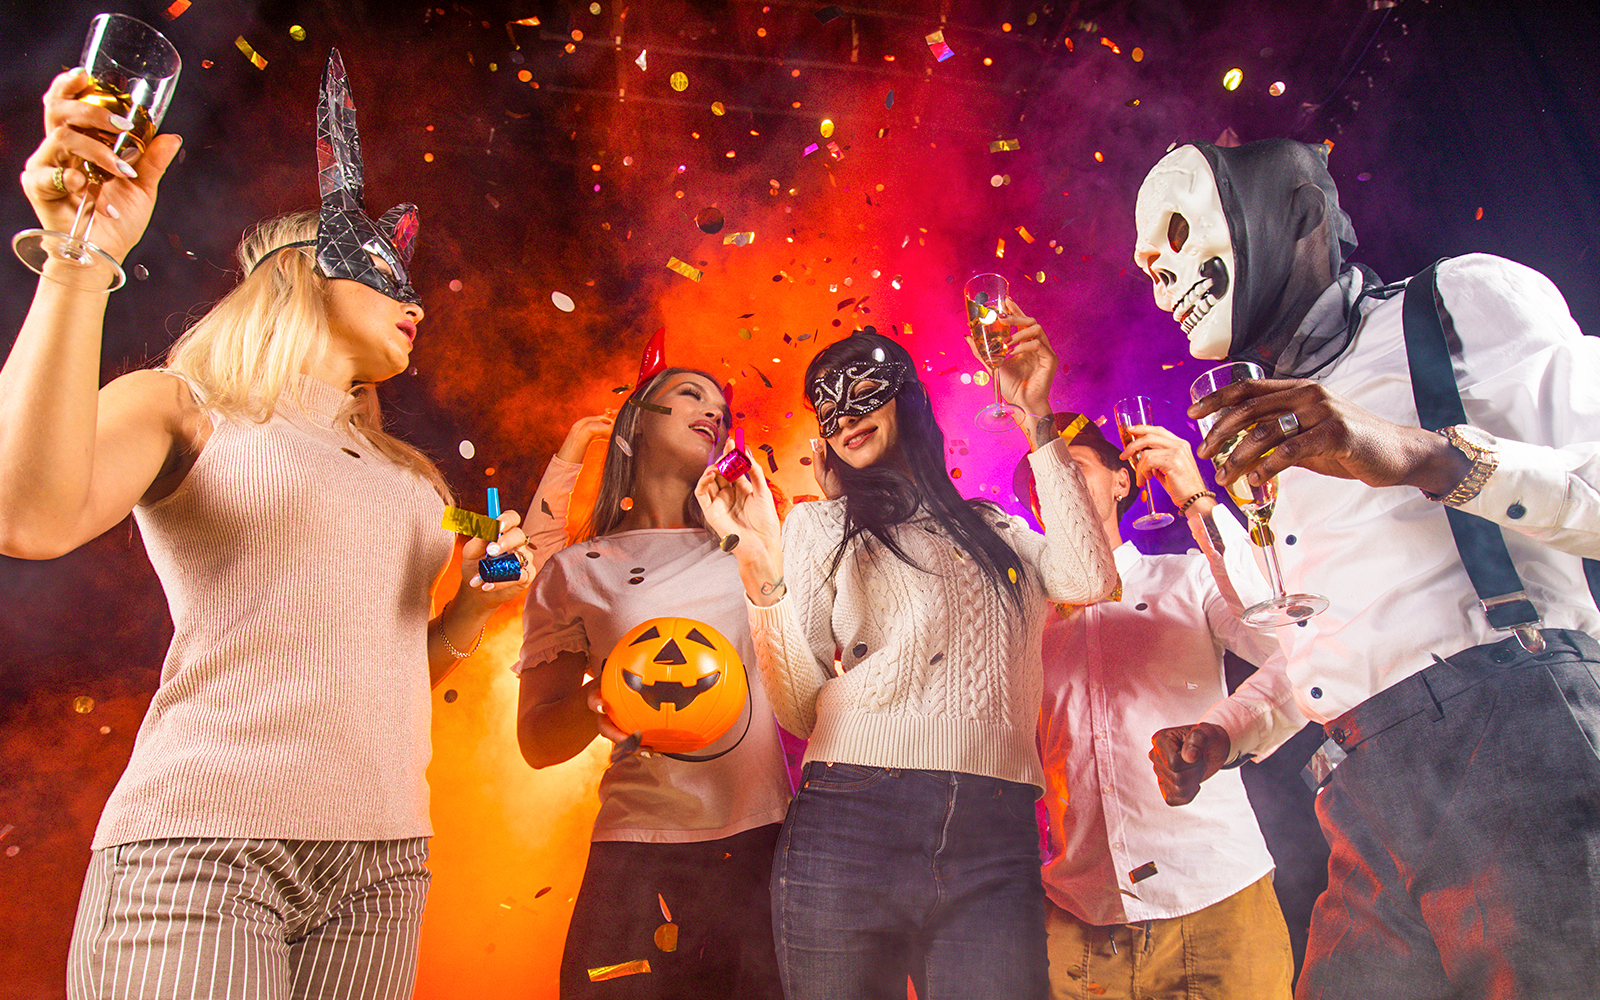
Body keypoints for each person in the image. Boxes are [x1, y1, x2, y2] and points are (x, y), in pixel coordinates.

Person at [0, 53, 533, 1000]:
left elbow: (383, 665)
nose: (416, 302)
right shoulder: (184, 405)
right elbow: (25, 518)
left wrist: (476, 610)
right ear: (303, 272)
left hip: (382, 862)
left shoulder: (411, 479)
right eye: (388, 275)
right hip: (207, 848)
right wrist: (83, 257)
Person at [1135, 137, 1600, 999]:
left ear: (1302, 215)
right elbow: (1343, 636)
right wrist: (1232, 732)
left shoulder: (1457, 298)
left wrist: (1421, 455)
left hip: (1515, 741)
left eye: (1178, 232)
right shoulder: (1272, 411)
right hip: (1362, 791)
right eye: (1146, 263)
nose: (1160, 274)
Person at [695, 323, 1120, 1000]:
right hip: (853, 818)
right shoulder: (821, 525)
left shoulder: (997, 527)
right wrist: (758, 571)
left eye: (864, 389)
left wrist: (1036, 418)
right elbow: (801, 711)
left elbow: (1089, 577)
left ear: (910, 399)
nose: (844, 416)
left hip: (996, 829)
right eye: (826, 408)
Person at [515, 346, 792, 999]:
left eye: (722, 409)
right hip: (637, 851)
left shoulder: (759, 541)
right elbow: (536, 743)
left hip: (763, 843)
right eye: (692, 394)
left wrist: (762, 545)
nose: (714, 412)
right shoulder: (577, 569)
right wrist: (594, 702)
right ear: (636, 420)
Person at [1020, 411, 1295, 1000]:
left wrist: (1196, 499)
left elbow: (1285, 641)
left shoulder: (1189, 577)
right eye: (1044, 480)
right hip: (1079, 917)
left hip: (1216, 898)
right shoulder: (1021, 622)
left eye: (1073, 467)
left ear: (1123, 479)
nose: (1056, 484)